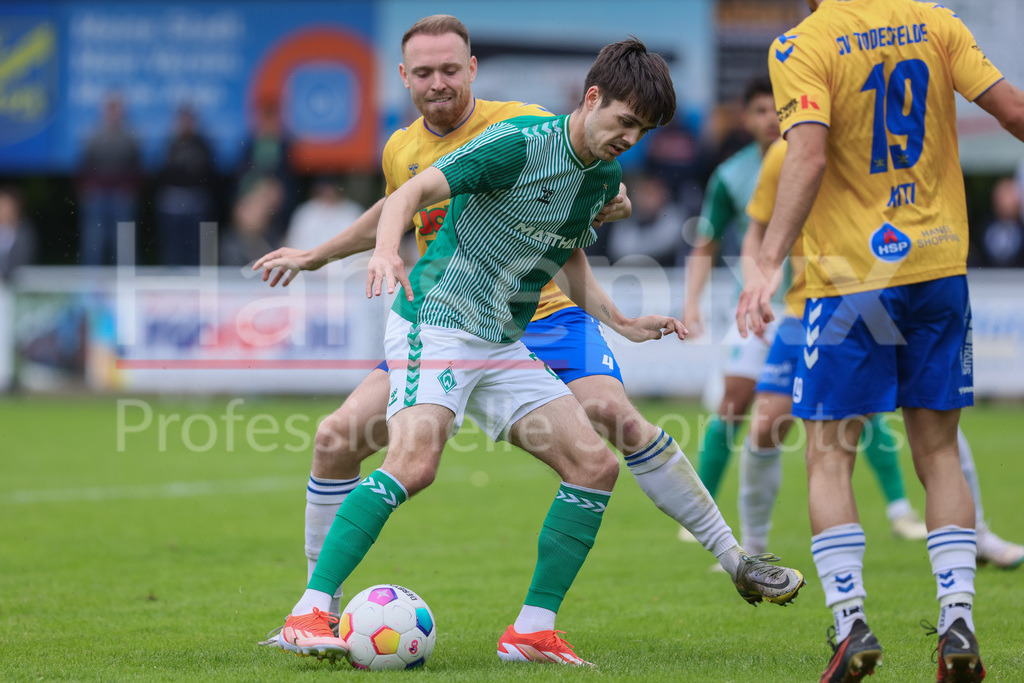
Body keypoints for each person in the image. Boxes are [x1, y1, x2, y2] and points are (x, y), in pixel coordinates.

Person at [257, 24, 803, 666]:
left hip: (502, 337)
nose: (629, 137)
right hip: (435, 319)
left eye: (643, 130)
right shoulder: (517, 142)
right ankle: (309, 612)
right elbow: (409, 194)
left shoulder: (601, 177)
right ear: (592, 97)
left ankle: (531, 632)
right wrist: (380, 252)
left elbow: (565, 257)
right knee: (412, 465)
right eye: (625, 120)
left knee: (595, 466)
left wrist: (620, 321)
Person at [736, 2, 1024, 680]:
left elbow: (804, 152)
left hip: (850, 280)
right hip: (939, 268)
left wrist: (770, 260)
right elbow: (1013, 112)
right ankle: (958, 620)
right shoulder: (936, 21)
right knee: (940, 451)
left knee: (830, 455)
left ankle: (851, 621)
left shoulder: (803, 43)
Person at [740, 139, 1024, 567]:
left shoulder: (883, 136)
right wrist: (760, 278)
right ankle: (753, 550)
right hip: (812, 306)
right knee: (767, 424)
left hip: (890, 296)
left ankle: (976, 533)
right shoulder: (788, 152)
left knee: (931, 418)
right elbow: (758, 230)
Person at [681, 77, 781, 504]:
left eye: (780, 108)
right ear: (746, 117)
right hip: (756, 306)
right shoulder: (730, 174)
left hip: (813, 302)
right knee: (733, 404)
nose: (772, 118)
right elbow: (707, 242)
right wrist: (691, 303)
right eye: (761, 110)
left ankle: (898, 508)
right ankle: (704, 511)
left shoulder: (815, 160)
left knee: (850, 413)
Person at [76, 94, 141, 266]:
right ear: (104, 111)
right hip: (97, 196)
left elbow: (137, 167)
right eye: (110, 108)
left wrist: (130, 189)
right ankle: (88, 287)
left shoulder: (130, 137)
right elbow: (83, 166)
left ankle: (127, 284)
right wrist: (88, 189)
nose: (113, 113)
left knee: (124, 243)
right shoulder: (93, 136)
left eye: (116, 108)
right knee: (93, 243)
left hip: (121, 196)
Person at [154, 105, 217, 266]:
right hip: (173, 203)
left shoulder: (202, 144)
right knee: (173, 248)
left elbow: (207, 173)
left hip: (196, 202)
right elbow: (164, 173)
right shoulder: (170, 144)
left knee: (196, 249)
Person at [283, 176, 364, 253]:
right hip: (309, 265)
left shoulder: (352, 211)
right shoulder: (305, 212)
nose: (328, 192)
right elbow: (293, 244)